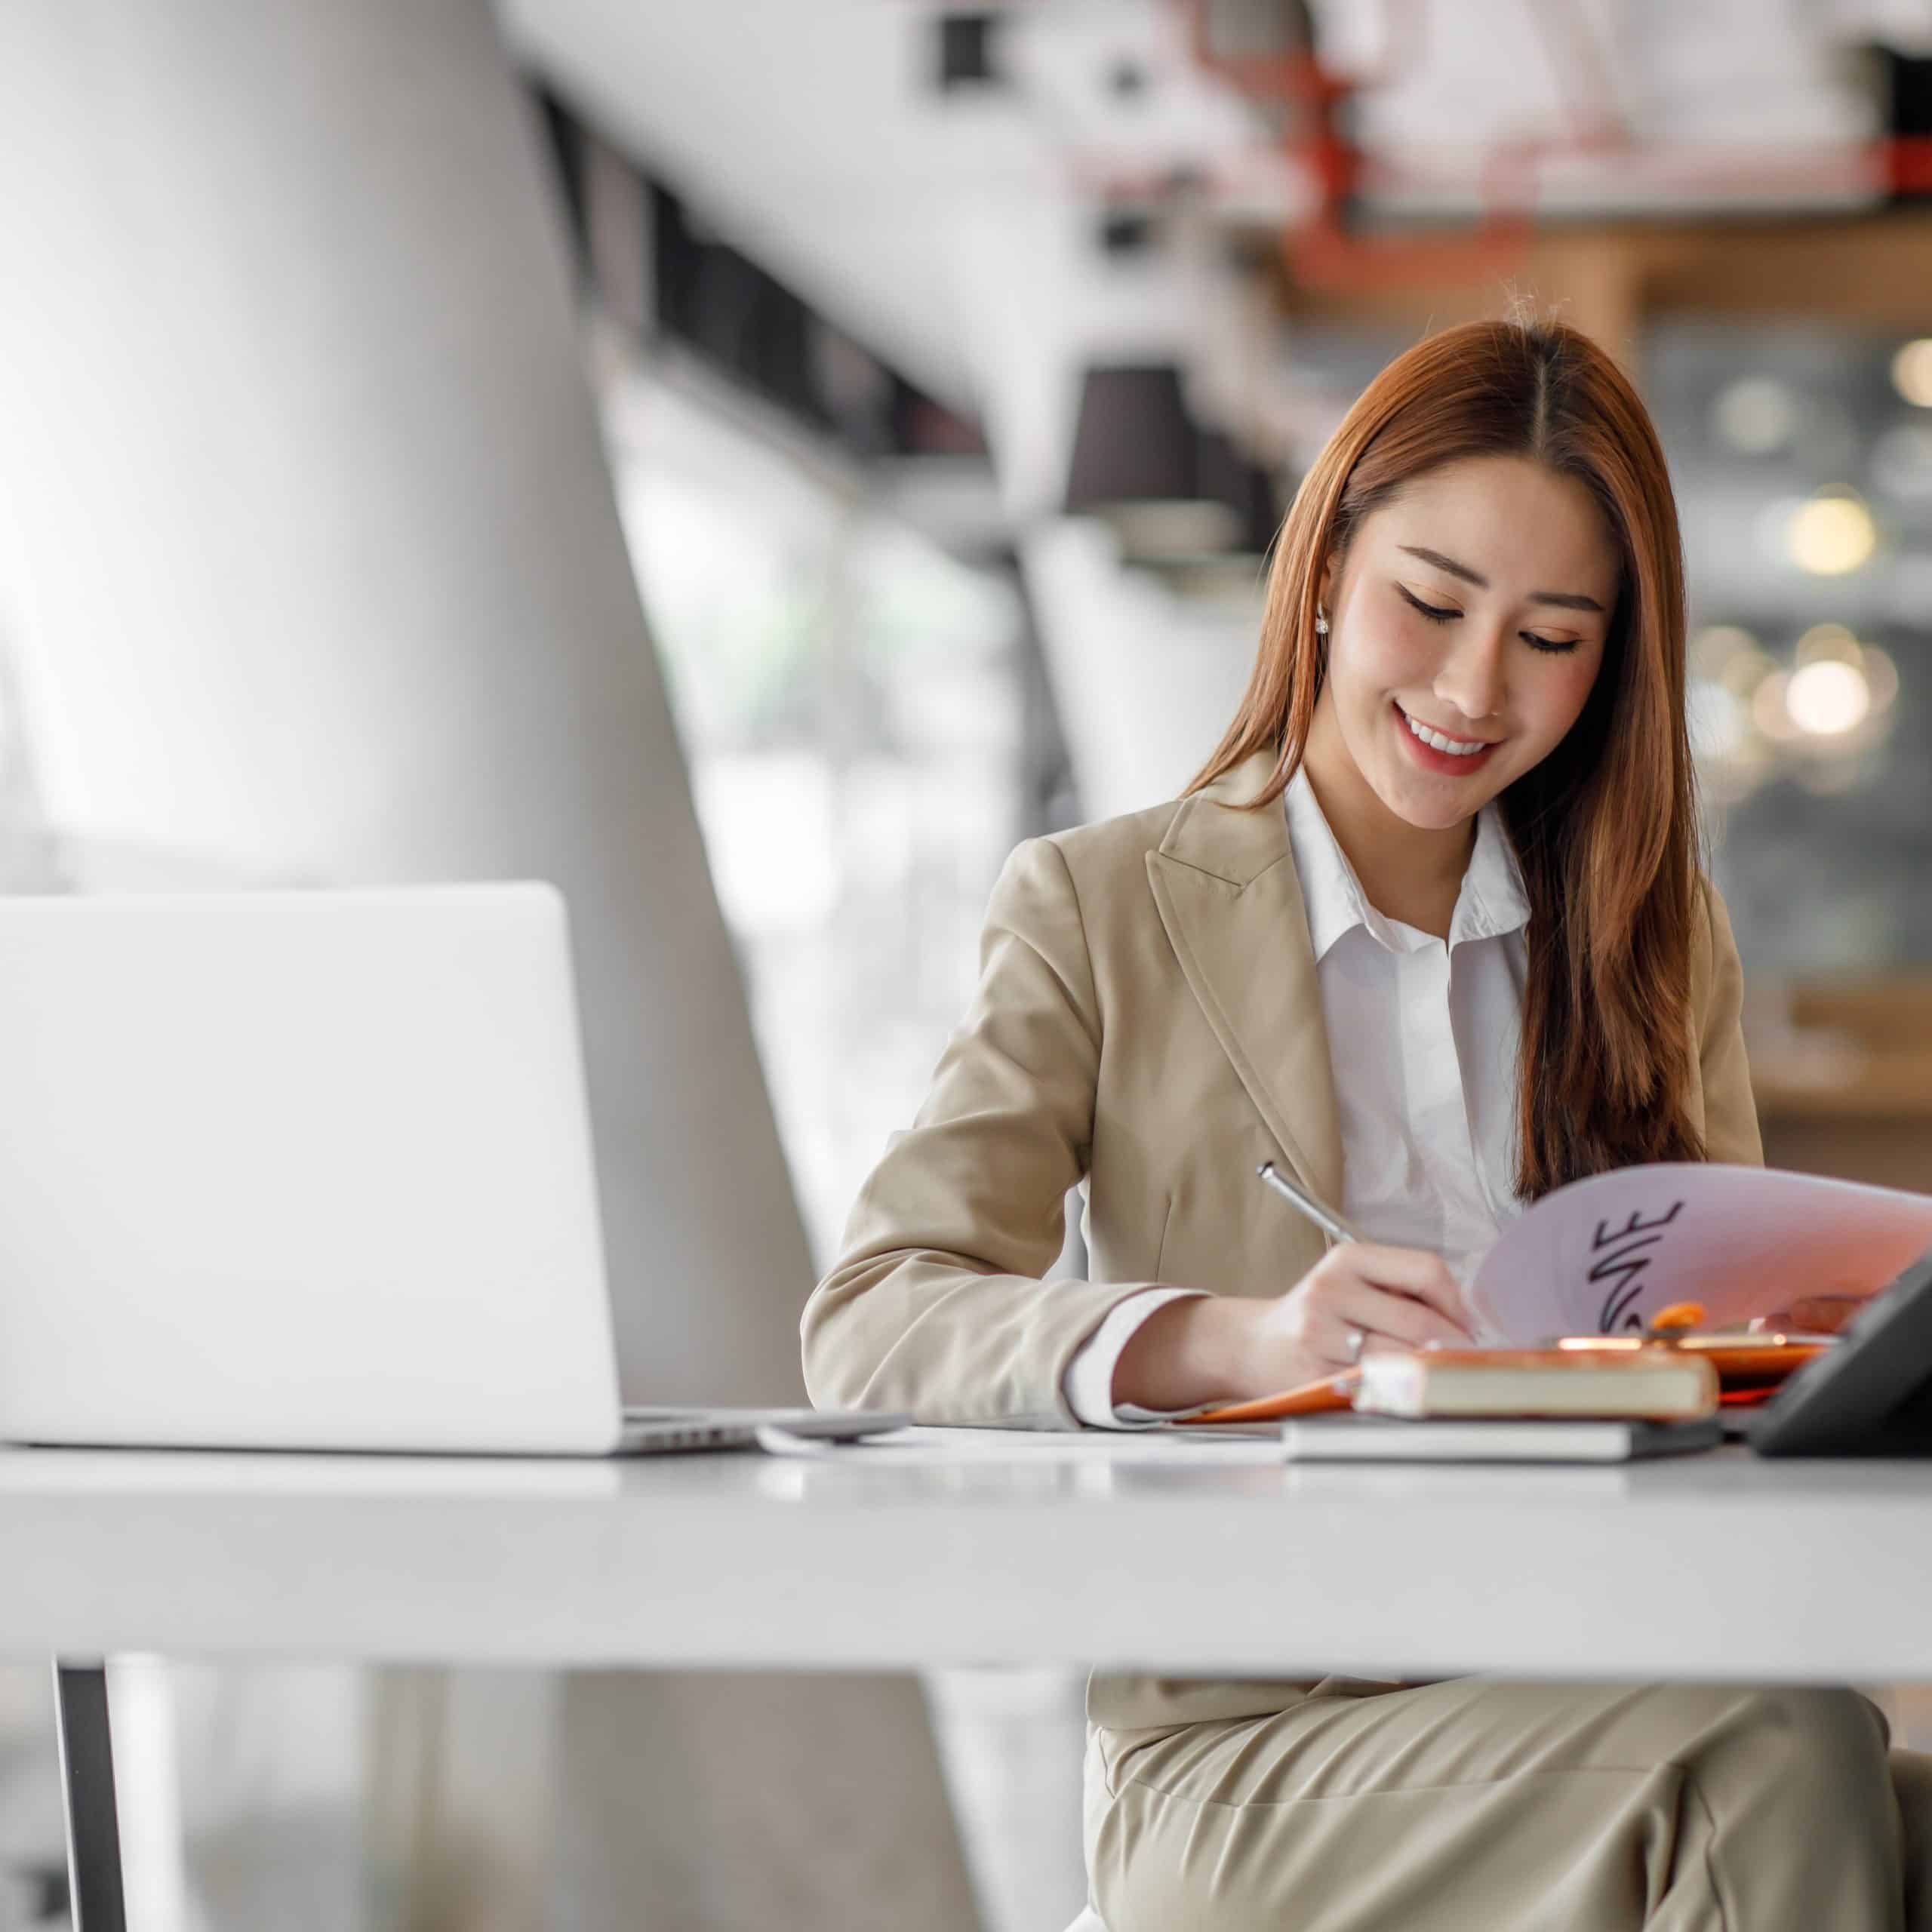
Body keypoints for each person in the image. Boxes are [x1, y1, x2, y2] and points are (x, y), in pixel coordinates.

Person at [800, 315, 1932, 1930]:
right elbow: (872, 1317)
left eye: (1551, 635)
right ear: (1324, 563)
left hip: (1607, 1674)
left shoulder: (1645, 938)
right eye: (1430, 602)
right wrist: (1232, 1340)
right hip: (1254, 1755)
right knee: (1771, 1750)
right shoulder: (1100, 904)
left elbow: (1740, 1353)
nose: (1475, 688)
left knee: (1823, 1763)